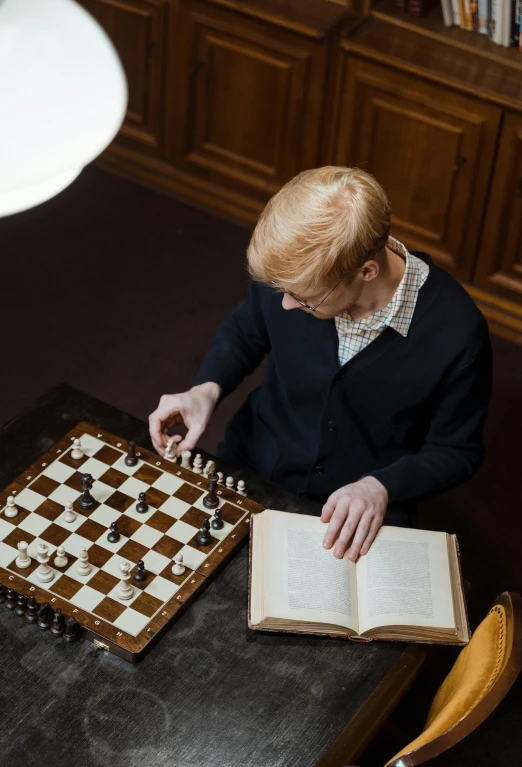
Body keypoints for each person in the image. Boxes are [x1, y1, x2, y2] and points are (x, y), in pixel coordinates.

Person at [149, 166, 492, 562]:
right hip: (255, 459)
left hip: (358, 508)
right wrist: (205, 389)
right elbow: (247, 330)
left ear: (367, 271)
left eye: (305, 299)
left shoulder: (458, 332)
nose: (286, 305)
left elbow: (456, 451)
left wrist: (380, 487)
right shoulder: (295, 267)